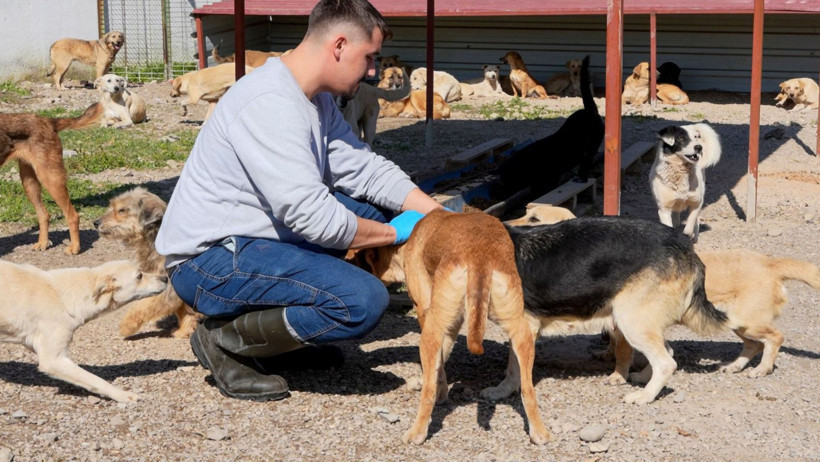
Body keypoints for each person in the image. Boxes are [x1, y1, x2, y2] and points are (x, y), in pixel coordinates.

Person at [155, 0, 442, 401]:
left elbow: (361, 168)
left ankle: (273, 343)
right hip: (209, 262)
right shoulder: (269, 103)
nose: (374, 70)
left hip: (252, 239)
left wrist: (436, 214)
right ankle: (224, 341)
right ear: (339, 45)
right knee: (361, 300)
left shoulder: (314, 99)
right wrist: (391, 232)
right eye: (369, 57)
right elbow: (312, 216)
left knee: (379, 212)